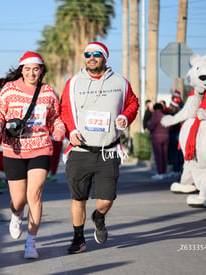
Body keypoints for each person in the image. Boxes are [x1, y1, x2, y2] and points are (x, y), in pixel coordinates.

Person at [60, 42, 139, 254]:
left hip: (108, 150)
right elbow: (65, 110)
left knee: (107, 199)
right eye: (88, 54)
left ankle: (99, 216)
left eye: (97, 54)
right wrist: (71, 131)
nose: (91, 58)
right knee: (79, 199)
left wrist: (125, 117)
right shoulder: (74, 82)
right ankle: (78, 239)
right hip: (80, 151)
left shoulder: (120, 82)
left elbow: (133, 103)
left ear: (105, 57)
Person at [0, 51, 65, 259]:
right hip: (14, 149)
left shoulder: (48, 92)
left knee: (35, 195)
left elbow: (55, 118)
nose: (31, 73)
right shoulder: (9, 89)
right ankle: (16, 214)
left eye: (35, 69)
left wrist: (58, 130)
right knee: (19, 200)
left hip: (41, 148)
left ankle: (31, 243)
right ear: (21, 70)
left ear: (41, 71)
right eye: (27, 69)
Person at [147, 103, 169, 180]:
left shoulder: (156, 115)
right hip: (166, 137)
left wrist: (149, 128)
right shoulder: (165, 115)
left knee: (158, 156)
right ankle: (164, 172)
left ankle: (160, 173)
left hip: (157, 138)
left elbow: (151, 126)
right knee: (165, 156)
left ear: (155, 109)